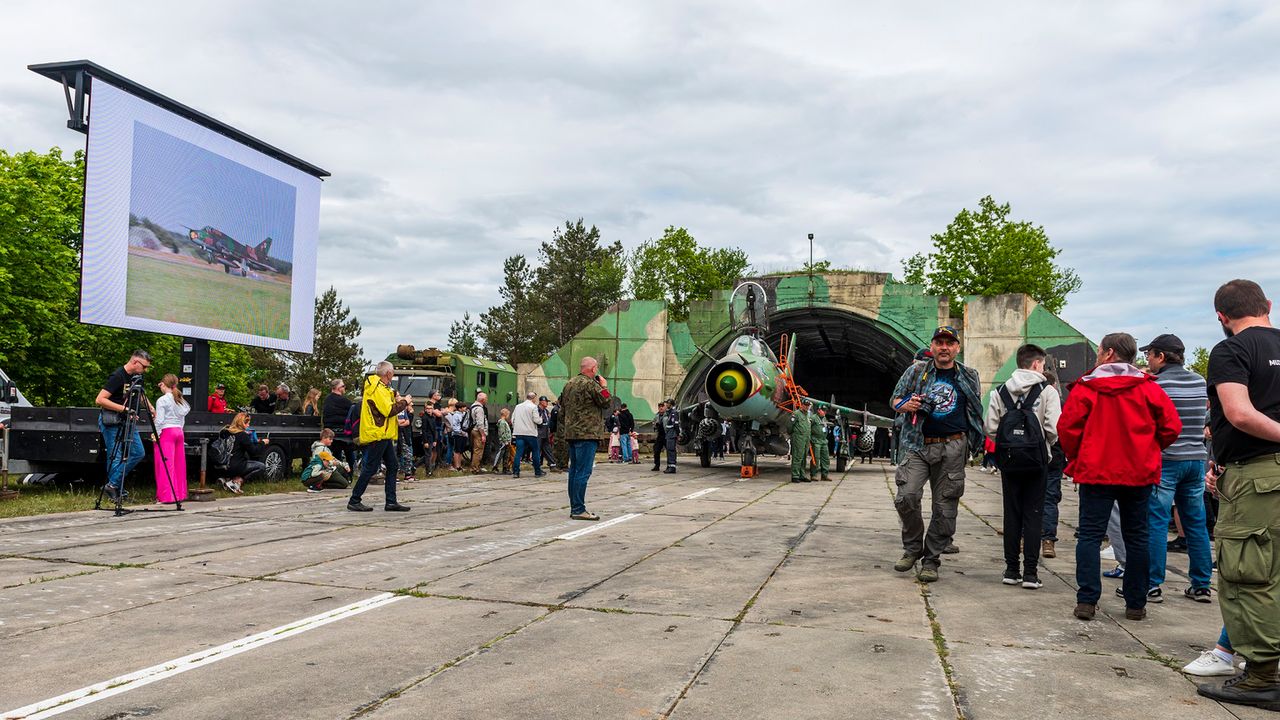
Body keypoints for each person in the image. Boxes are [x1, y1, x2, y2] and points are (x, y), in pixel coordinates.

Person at [1196, 279, 1280, 708]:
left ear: (1221, 318)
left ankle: (1262, 676)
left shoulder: (1231, 350)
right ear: (1268, 304)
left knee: (1249, 575)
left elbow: (1240, 413)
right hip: (1250, 470)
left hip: (1259, 478)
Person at [1058, 332, 1180, 622]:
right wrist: (1149, 448)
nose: (1098, 355)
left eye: (1099, 351)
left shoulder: (1088, 388)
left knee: (1089, 535)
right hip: (1138, 471)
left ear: (1110, 353)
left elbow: (1067, 429)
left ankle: (1087, 601)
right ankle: (1136, 603)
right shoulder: (1149, 388)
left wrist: (1080, 455)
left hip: (1096, 470)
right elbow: (1172, 427)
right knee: (1137, 535)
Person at [889, 326, 984, 583]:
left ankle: (931, 560)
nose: (944, 347)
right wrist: (904, 405)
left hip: (953, 446)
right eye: (939, 342)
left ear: (957, 348)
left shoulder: (969, 375)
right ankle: (912, 549)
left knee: (945, 507)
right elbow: (894, 400)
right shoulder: (916, 371)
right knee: (906, 496)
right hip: (918, 444)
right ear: (932, 347)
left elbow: (975, 410)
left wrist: (977, 442)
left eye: (949, 343)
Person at [1140, 333, 1213, 604]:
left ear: (1161, 356)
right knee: (1196, 524)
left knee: (1157, 523)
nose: (1147, 359)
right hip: (1196, 460)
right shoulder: (1199, 381)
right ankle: (1202, 585)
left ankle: (1152, 584)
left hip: (1166, 460)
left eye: (1150, 354)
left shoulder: (1156, 384)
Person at [982, 343, 1061, 589]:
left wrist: (1010, 445)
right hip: (1037, 462)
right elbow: (1053, 428)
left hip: (1009, 462)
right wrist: (1042, 446)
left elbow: (991, 427)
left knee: (1012, 513)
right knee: (1034, 514)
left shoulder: (1000, 392)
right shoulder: (1048, 392)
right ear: (1037, 364)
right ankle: (1030, 573)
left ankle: (1010, 570)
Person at [347, 361, 411, 512]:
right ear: (388, 374)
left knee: (393, 466)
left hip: (384, 434)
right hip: (378, 433)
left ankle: (391, 501)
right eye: (393, 372)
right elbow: (388, 411)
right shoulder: (378, 389)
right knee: (370, 467)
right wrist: (404, 402)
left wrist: (395, 395)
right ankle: (354, 499)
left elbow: (386, 400)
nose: (393, 374)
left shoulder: (380, 387)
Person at [95, 350, 153, 502]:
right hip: (112, 420)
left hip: (128, 421)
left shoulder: (137, 377)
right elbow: (100, 399)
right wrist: (125, 409)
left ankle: (112, 485)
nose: (145, 370)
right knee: (116, 456)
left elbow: (139, 394)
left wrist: (150, 407)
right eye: (144, 366)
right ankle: (116, 490)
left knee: (138, 452)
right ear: (135, 362)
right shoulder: (118, 376)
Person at [560, 356, 611, 520]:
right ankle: (578, 509)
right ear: (593, 369)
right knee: (583, 472)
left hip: (571, 433)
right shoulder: (591, 384)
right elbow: (606, 401)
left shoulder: (569, 384)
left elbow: (561, 406)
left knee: (574, 471)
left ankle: (575, 506)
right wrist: (604, 386)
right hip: (587, 434)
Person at [1040, 365, 1068, 559]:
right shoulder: (1062, 404)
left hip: (1031, 456)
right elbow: (1060, 431)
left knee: (1027, 498)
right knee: (1050, 499)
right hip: (1055, 458)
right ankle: (1048, 540)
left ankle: (1025, 537)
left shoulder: (1026, 401)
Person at [153, 372, 190, 504]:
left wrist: (156, 434)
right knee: (179, 463)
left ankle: (166, 496)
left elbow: (159, 420)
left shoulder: (162, 400)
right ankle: (179, 494)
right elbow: (182, 420)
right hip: (179, 431)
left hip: (167, 432)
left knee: (165, 464)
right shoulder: (179, 399)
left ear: (163, 384)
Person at [218, 412, 268, 494]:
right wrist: (262, 443)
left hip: (220, 464)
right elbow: (254, 452)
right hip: (235, 466)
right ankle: (236, 481)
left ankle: (226, 480)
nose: (248, 425)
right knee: (261, 466)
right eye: (247, 423)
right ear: (241, 423)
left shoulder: (224, 432)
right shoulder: (242, 435)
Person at [322, 378, 356, 469]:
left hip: (330, 432)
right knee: (350, 454)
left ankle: (338, 472)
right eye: (343, 386)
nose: (344, 388)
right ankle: (350, 472)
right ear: (338, 388)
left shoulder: (327, 399)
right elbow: (354, 411)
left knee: (336, 455)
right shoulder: (344, 401)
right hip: (342, 433)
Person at [511, 392, 544, 478]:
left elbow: (512, 419)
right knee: (535, 451)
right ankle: (537, 471)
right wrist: (541, 419)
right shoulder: (533, 407)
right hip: (530, 433)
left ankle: (516, 472)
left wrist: (516, 428)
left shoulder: (518, 406)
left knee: (518, 453)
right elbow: (537, 420)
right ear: (533, 398)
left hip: (519, 433)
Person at [789, 400, 811, 482]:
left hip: (806, 439)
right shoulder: (796, 414)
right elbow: (790, 426)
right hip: (798, 438)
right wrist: (794, 434)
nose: (807, 406)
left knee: (804, 457)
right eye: (805, 405)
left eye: (808, 405)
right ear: (801, 405)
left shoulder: (807, 415)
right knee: (797, 457)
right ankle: (795, 476)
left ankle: (802, 475)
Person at [468, 392, 489, 474]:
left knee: (475, 450)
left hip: (473, 429)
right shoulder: (480, 409)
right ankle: (475, 468)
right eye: (486, 398)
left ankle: (474, 467)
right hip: (478, 431)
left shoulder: (473, 406)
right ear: (483, 400)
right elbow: (480, 423)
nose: (487, 400)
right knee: (478, 451)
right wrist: (483, 435)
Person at [811, 406, 831, 481]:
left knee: (825, 459)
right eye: (823, 410)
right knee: (816, 458)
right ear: (819, 410)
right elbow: (808, 427)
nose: (825, 412)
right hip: (816, 441)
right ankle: (813, 475)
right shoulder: (813, 418)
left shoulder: (824, 418)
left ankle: (824, 475)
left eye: (825, 411)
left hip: (823, 441)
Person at [661, 398, 679, 473]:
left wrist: (677, 434)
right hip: (669, 434)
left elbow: (676, 424)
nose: (666, 405)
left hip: (672, 433)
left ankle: (672, 467)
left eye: (667, 404)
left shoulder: (674, 413)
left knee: (671, 450)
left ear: (670, 404)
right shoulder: (670, 412)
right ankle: (669, 465)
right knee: (669, 450)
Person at [537, 396, 555, 471]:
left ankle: (552, 465)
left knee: (547, 449)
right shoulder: (537, 410)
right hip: (539, 433)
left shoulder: (546, 411)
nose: (547, 403)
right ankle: (537, 467)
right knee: (537, 450)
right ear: (541, 402)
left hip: (545, 433)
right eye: (546, 401)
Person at [495, 407, 514, 473]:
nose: (509, 416)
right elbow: (502, 432)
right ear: (505, 414)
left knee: (506, 455)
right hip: (504, 442)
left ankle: (505, 468)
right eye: (508, 414)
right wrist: (505, 440)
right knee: (501, 454)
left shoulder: (504, 422)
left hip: (507, 441)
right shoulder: (502, 423)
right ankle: (496, 467)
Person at [652, 400, 668, 471]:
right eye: (659, 407)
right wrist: (655, 425)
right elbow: (653, 423)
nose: (661, 408)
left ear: (665, 407)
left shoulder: (668, 415)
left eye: (662, 406)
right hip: (660, 435)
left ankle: (670, 465)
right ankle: (657, 465)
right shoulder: (657, 416)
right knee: (656, 450)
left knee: (670, 451)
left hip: (667, 435)